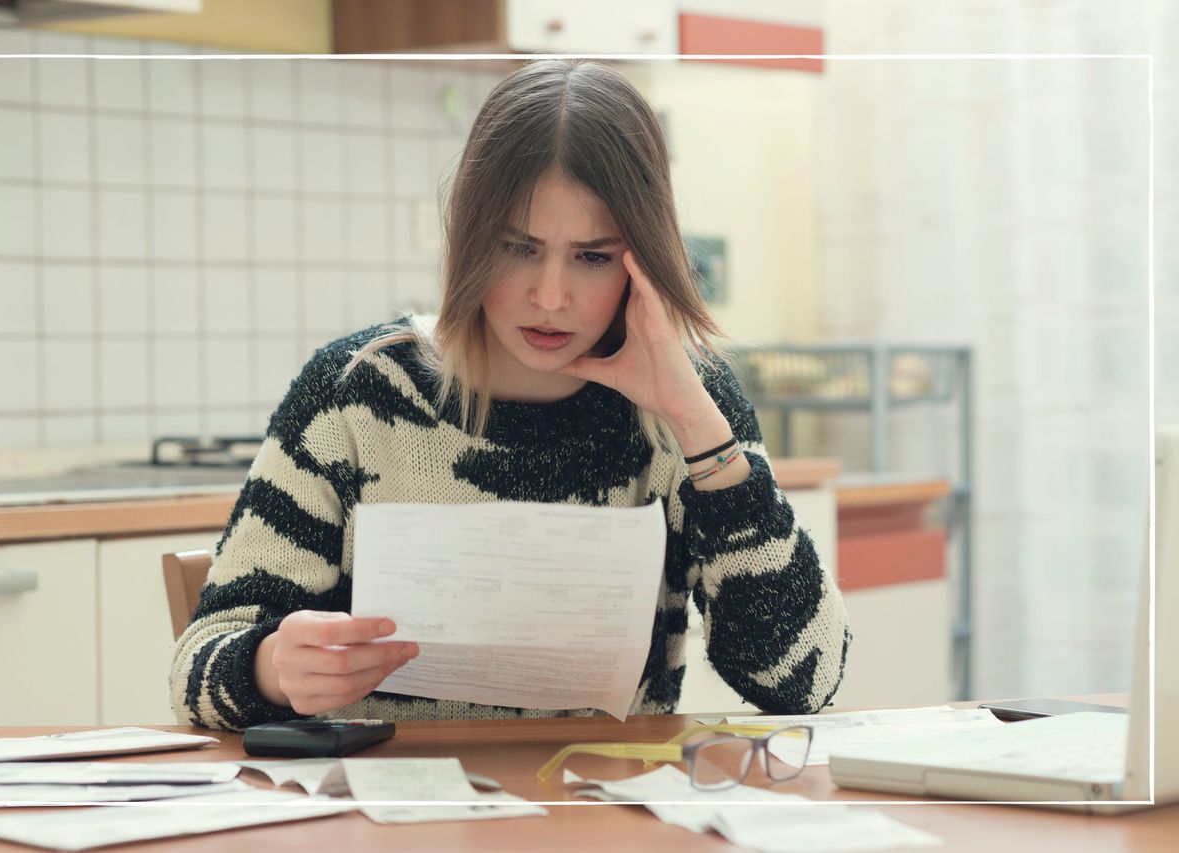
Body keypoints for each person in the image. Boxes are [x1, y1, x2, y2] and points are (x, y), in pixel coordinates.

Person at [170, 58, 850, 731]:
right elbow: (196, 669)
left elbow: (806, 681)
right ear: (468, 240)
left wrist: (699, 425)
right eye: (518, 247)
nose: (550, 297)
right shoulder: (357, 391)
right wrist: (268, 665)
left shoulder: (685, 403)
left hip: (602, 816)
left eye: (593, 256)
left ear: (644, 256)